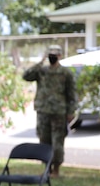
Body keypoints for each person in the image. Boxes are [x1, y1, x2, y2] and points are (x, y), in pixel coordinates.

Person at [23, 44, 77, 176]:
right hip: (43, 111)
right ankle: (47, 169)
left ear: (60, 56)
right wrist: (40, 62)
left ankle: (56, 170)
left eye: (55, 55)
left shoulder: (66, 73)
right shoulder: (41, 71)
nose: (52, 57)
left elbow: (72, 94)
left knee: (57, 142)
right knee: (44, 140)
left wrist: (71, 111)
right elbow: (26, 76)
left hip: (59, 112)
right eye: (50, 54)